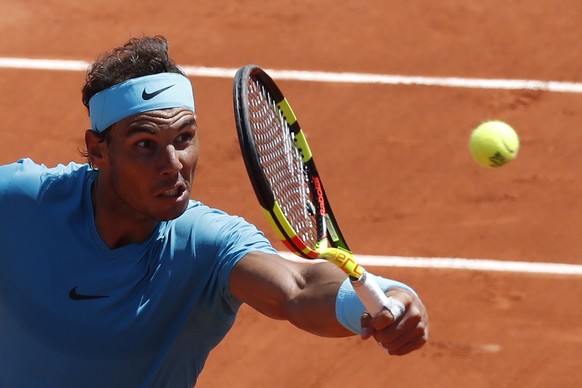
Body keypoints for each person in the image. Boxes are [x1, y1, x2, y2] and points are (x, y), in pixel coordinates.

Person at [0, 35, 428, 387]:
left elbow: (297, 287)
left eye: (184, 137)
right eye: (145, 144)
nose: (172, 164)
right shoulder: (24, 199)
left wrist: (386, 300)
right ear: (99, 150)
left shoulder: (207, 244)